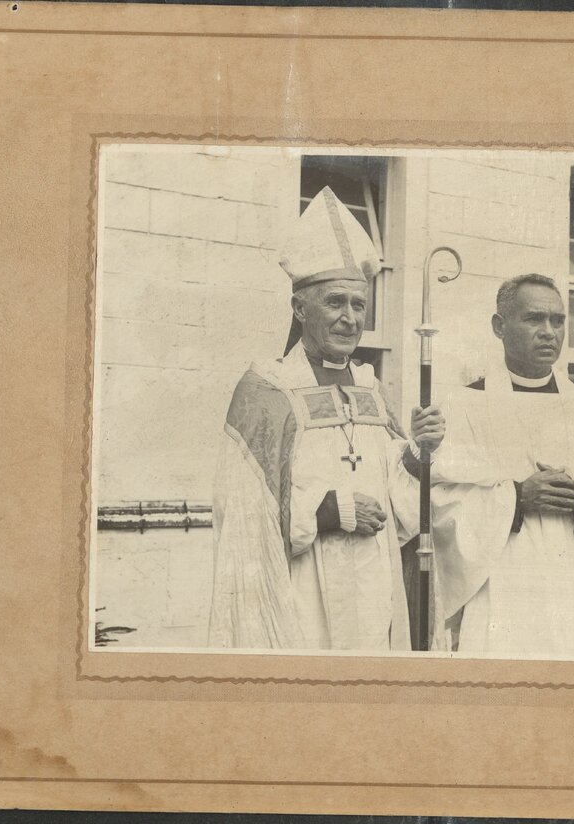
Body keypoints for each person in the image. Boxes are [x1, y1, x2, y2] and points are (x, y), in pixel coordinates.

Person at [207, 186, 445, 651]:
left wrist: (418, 453)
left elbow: (398, 496)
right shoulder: (268, 389)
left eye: (359, 304)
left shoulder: (370, 387)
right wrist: (325, 512)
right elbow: (240, 508)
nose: (350, 318)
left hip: (373, 587)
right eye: (335, 302)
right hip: (301, 587)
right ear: (299, 308)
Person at [429, 274, 574, 656]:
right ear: (499, 326)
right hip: (503, 570)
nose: (549, 332)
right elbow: (440, 499)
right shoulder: (462, 405)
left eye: (558, 320)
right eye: (534, 319)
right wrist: (517, 498)